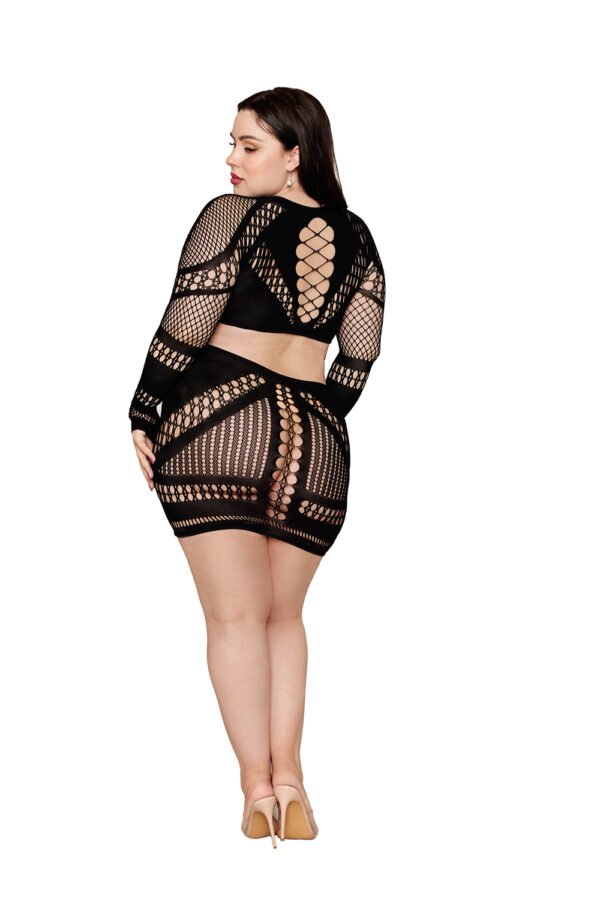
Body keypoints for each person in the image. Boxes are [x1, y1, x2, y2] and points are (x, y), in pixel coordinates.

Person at [128, 87, 386, 846]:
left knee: (235, 617)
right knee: (284, 618)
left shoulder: (230, 214)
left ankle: (256, 788)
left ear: (295, 154)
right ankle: (294, 779)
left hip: (219, 426)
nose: (231, 160)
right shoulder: (359, 237)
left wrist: (143, 411)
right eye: (233, 144)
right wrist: (316, 416)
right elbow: (359, 356)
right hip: (315, 441)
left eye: (249, 146)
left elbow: (187, 320)